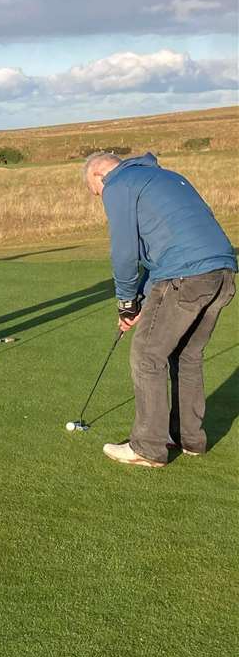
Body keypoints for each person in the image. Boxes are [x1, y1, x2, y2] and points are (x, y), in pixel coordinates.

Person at [83, 152, 235, 466]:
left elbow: (124, 252)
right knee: (187, 355)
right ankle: (190, 439)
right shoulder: (164, 176)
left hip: (187, 274)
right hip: (221, 273)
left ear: (99, 175)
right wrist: (139, 301)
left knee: (147, 355)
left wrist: (125, 301)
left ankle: (148, 447)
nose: (102, 198)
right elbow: (162, 255)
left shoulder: (118, 183)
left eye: (95, 193)